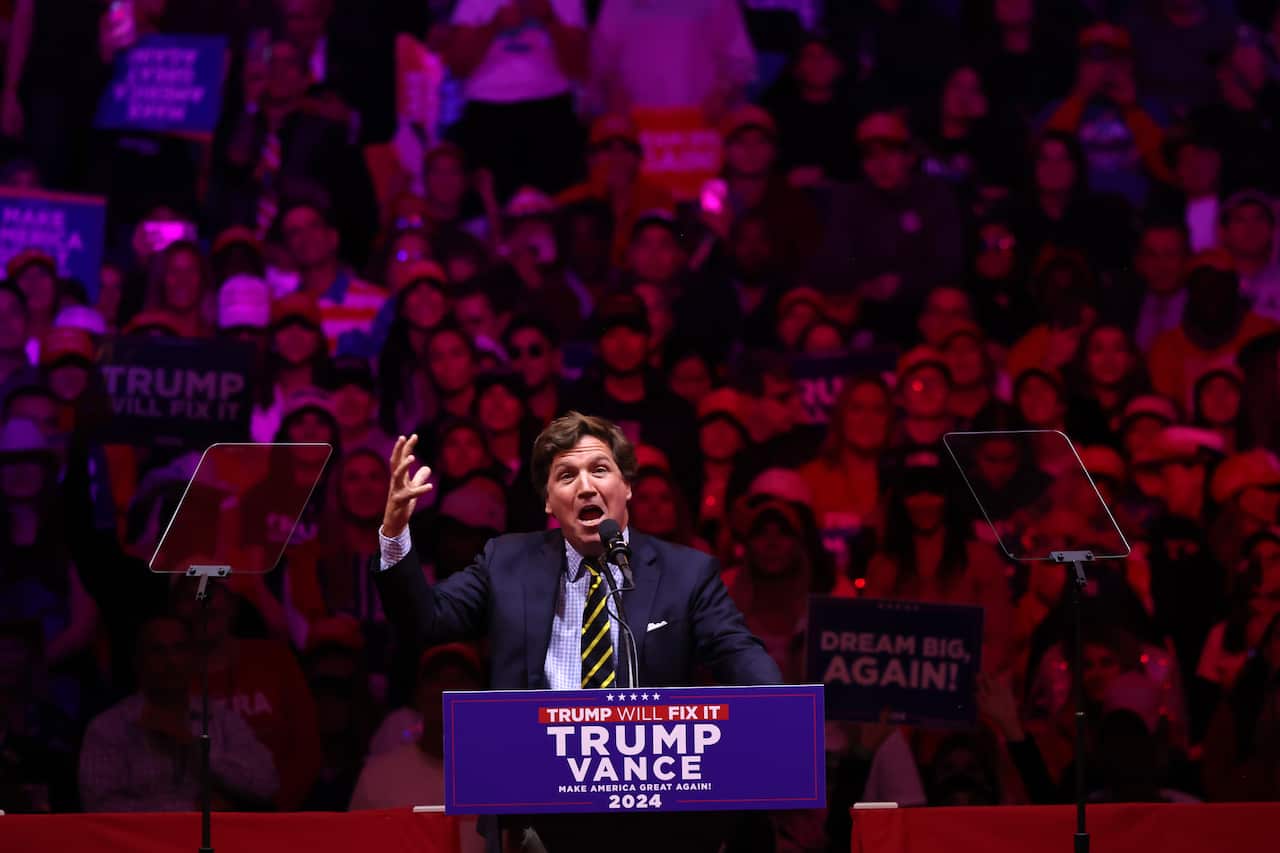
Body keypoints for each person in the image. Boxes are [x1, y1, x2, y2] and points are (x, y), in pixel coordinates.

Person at [375, 411, 781, 851]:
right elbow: (425, 620)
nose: (585, 486)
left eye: (599, 470)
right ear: (549, 501)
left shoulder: (686, 573)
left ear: (626, 487)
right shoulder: (506, 562)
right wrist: (395, 534)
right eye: (566, 475)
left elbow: (742, 657)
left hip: (658, 815)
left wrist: (780, 712)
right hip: (536, 817)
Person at [78, 616, 278, 812]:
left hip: (220, 841)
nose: (171, 661)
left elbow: (266, 784)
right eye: (158, 651)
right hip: (141, 843)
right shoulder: (108, 728)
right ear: (137, 661)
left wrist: (196, 752)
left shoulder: (221, 719)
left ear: (193, 658)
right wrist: (190, 811)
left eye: (179, 649)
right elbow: (100, 808)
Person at [349, 644, 485, 853]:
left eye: (460, 680)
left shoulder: (501, 780)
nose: (446, 688)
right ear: (417, 695)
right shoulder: (378, 777)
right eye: (436, 679)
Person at [445, 0, 587, 198]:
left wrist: (549, 19)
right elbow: (457, 66)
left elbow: (579, 66)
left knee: (556, 203)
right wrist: (493, 27)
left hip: (550, 111)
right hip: (488, 111)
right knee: (486, 206)